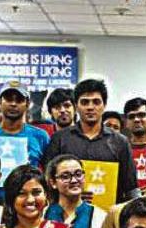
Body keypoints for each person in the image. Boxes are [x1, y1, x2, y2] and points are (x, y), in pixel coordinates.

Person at [42, 79, 139, 208]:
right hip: (67, 213)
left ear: (104, 105)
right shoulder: (59, 139)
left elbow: (130, 188)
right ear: (76, 106)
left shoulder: (120, 142)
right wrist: (72, 193)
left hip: (108, 215)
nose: (90, 107)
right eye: (85, 102)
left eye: (96, 102)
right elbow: (49, 181)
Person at [0, 81, 52, 172]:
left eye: (19, 100)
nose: (13, 104)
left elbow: (49, 172)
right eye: (9, 99)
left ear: (27, 103)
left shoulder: (41, 136)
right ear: (0, 102)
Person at [44, 154, 107, 228]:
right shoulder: (43, 214)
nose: (74, 180)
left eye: (78, 174)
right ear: (53, 183)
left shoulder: (99, 216)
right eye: (65, 176)